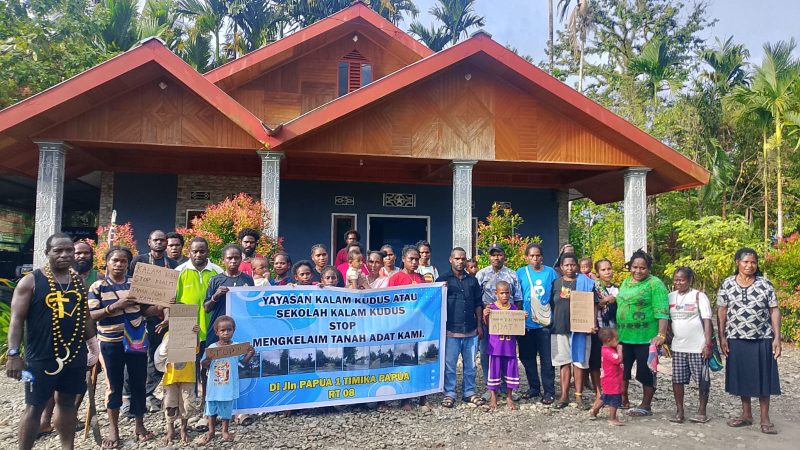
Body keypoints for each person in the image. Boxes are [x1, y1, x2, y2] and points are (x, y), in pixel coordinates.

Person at [7, 233, 96, 450]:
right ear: (47, 253)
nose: (65, 255)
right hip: (40, 357)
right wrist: (13, 354)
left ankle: (67, 447)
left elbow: (85, 317)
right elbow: (17, 320)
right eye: (58, 250)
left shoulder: (79, 282)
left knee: (67, 404)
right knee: (34, 407)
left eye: (69, 250)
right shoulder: (31, 281)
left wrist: (94, 346)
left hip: (74, 355)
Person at [88, 246, 157, 447]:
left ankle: (140, 425)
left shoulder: (136, 285)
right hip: (110, 342)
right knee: (114, 385)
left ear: (128, 264)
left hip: (136, 339)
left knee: (138, 381)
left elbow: (146, 310)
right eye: (115, 260)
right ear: (107, 263)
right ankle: (113, 429)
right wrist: (115, 307)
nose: (119, 264)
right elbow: (92, 315)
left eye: (123, 261)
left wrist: (162, 306)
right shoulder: (97, 287)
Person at [39, 240, 101, 436]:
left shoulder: (98, 278)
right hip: (61, 337)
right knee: (54, 379)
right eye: (79, 253)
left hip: (90, 334)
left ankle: (70, 415)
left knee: (83, 379)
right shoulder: (57, 278)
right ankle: (45, 420)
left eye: (86, 253)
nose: (82, 256)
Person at [718, 248, 781, 435]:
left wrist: (777, 337)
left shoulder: (765, 284)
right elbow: (722, 311)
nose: (749, 265)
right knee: (742, 376)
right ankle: (746, 415)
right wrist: (722, 336)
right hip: (736, 338)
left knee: (764, 378)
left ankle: (765, 418)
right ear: (737, 262)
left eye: (753, 262)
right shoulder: (727, 284)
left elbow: (774, 310)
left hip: (762, 337)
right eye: (745, 262)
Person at [611, 249, 669, 417]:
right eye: (635, 267)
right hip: (624, 337)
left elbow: (662, 311)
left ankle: (646, 405)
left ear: (648, 268)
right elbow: (622, 301)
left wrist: (661, 335)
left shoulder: (655, 284)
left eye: (642, 268)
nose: (638, 271)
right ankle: (623, 399)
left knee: (646, 372)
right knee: (622, 370)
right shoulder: (626, 282)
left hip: (646, 338)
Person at [175, 237, 222, 432]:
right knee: (186, 371)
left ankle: (206, 407)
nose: (198, 255)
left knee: (207, 369)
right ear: (189, 252)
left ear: (208, 251)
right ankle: (185, 412)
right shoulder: (179, 272)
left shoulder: (217, 271)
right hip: (186, 328)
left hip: (211, 329)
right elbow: (173, 302)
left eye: (202, 251)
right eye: (194, 251)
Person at [128, 229, 178, 414]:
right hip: (141, 317)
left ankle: (148, 393)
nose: (159, 242)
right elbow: (133, 286)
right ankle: (131, 396)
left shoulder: (172, 264)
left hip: (162, 318)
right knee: (137, 356)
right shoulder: (139, 261)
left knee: (158, 356)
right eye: (155, 240)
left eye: (162, 239)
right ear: (149, 242)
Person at [437, 247, 484, 408]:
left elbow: (478, 304)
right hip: (450, 331)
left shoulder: (473, 281)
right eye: (457, 258)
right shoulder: (442, 280)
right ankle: (449, 393)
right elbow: (436, 305)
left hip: (470, 330)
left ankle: (468, 392)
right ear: (450, 259)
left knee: (470, 365)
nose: (460, 261)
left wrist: (479, 325)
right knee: (450, 366)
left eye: (463, 258)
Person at [197, 316, 255, 444]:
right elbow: (204, 364)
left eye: (229, 329)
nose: (226, 332)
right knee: (211, 409)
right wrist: (207, 360)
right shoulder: (212, 347)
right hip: (214, 386)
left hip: (228, 386)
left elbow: (242, 364)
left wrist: (250, 354)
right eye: (222, 330)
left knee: (226, 410)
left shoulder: (236, 348)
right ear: (217, 332)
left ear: (233, 330)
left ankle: (225, 431)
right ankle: (211, 431)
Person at [549, 252, 596, 410]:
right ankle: (563, 396)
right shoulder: (555, 283)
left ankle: (579, 396)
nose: (570, 268)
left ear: (577, 266)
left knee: (579, 362)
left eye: (573, 264)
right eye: (566, 265)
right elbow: (549, 304)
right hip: (560, 327)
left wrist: (592, 323)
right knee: (563, 362)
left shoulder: (586, 283)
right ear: (561, 267)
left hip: (581, 328)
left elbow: (593, 304)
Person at [476, 245, 522, 401]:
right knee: (487, 354)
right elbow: (477, 298)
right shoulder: (482, 274)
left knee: (507, 354)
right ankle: (491, 388)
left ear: (504, 256)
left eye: (499, 254)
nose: (496, 257)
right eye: (493, 255)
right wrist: (481, 319)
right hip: (488, 317)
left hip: (507, 319)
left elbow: (518, 298)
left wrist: (518, 320)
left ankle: (507, 387)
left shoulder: (512, 275)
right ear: (489, 257)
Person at [668, 267, 712, 424]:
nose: (678, 282)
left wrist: (707, 344)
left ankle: (702, 411)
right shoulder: (670, 297)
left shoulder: (699, 296)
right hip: (678, 347)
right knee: (677, 380)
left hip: (697, 347)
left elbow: (707, 321)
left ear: (690, 280)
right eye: (676, 279)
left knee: (701, 379)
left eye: (682, 280)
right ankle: (679, 411)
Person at [387, 246, 428, 410]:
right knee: (404, 361)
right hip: (402, 328)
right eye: (411, 259)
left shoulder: (421, 278)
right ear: (403, 259)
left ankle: (422, 396)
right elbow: (389, 302)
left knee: (421, 360)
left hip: (419, 327)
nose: (414, 262)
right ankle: (404, 398)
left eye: (417, 259)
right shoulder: (395, 278)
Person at [516, 243, 558, 404]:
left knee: (547, 360)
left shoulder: (550, 273)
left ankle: (549, 391)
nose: (535, 258)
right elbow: (516, 296)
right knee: (527, 358)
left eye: (538, 255)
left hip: (544, 324)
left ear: (542, 256)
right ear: (527, 257)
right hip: (525, 323)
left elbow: (556, 295)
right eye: (532, 256)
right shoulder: (520, 273)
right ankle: (534, 387)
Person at [483, 281, 526, 410]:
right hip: (495, 346)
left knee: (510, 371)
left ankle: (509, 397)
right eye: (502, 293)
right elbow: (488, 325)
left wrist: (521, 317)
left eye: (507, 293)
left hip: (509, 346)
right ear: (496, 294)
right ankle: (494, 398)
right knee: (494, 372)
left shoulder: (513, 308)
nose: (505, 295)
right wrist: (485, 316)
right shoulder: (491, 308)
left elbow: (517, 327)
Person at [204, 245, 255, 348]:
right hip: (220, 329)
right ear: (223, 260)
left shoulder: (248, 280)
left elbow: (252, 305)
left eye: (236, 258)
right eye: (229, 258)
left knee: (238, 358)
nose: (233, 261)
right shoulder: (216, 280)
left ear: (241, 259)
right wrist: (215, 296)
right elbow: (206, 308)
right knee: (216, 360)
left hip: (241, 327)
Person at [154, 328, 199, 445]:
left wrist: (195, 334)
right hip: (170, 377)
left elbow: (196, 350)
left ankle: (183, 429)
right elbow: (163, 351)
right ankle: (171, 430)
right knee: (170, 404)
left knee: (187, 403)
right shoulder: (168, 335)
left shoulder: (192, 334)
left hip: (187, 377)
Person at [589, 259, 618, 403]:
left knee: (613, 362)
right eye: (603, 270)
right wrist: (606, 300)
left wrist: (609, 300)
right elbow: (593, 303)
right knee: (595, 362)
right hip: (598, 329)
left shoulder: (619, 289)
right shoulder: (594, 289)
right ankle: (598, 392)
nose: (607, 272)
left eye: (609, 268)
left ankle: (613, 391)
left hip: (613, 332)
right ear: (598, 273)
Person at [589, 328, 624, 426]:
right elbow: (618, 359)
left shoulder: (606, 349)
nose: (618, 342)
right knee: (615, 398)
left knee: (606, 396)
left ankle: (594, 410)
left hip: (609, 378)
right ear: (609, 340)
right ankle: (612, 418)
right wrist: (620, 350)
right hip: (612, 379)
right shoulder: (608, 351)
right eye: (616, 340)